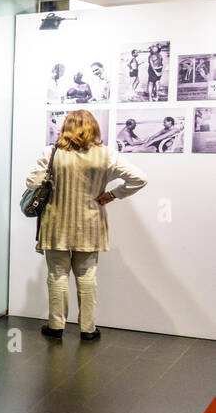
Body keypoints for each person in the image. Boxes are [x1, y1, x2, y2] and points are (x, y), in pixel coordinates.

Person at [26, 108, 148, 341]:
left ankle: (56, 326)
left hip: (55, 224)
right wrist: (112, 195)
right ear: (94, 127)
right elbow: (140, 178)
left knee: (57, 274)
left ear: (66, 127)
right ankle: (88, 329)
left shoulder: (52, 153)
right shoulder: (106, 155)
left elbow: (32, 182)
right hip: (90, 225)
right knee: (87, 276)